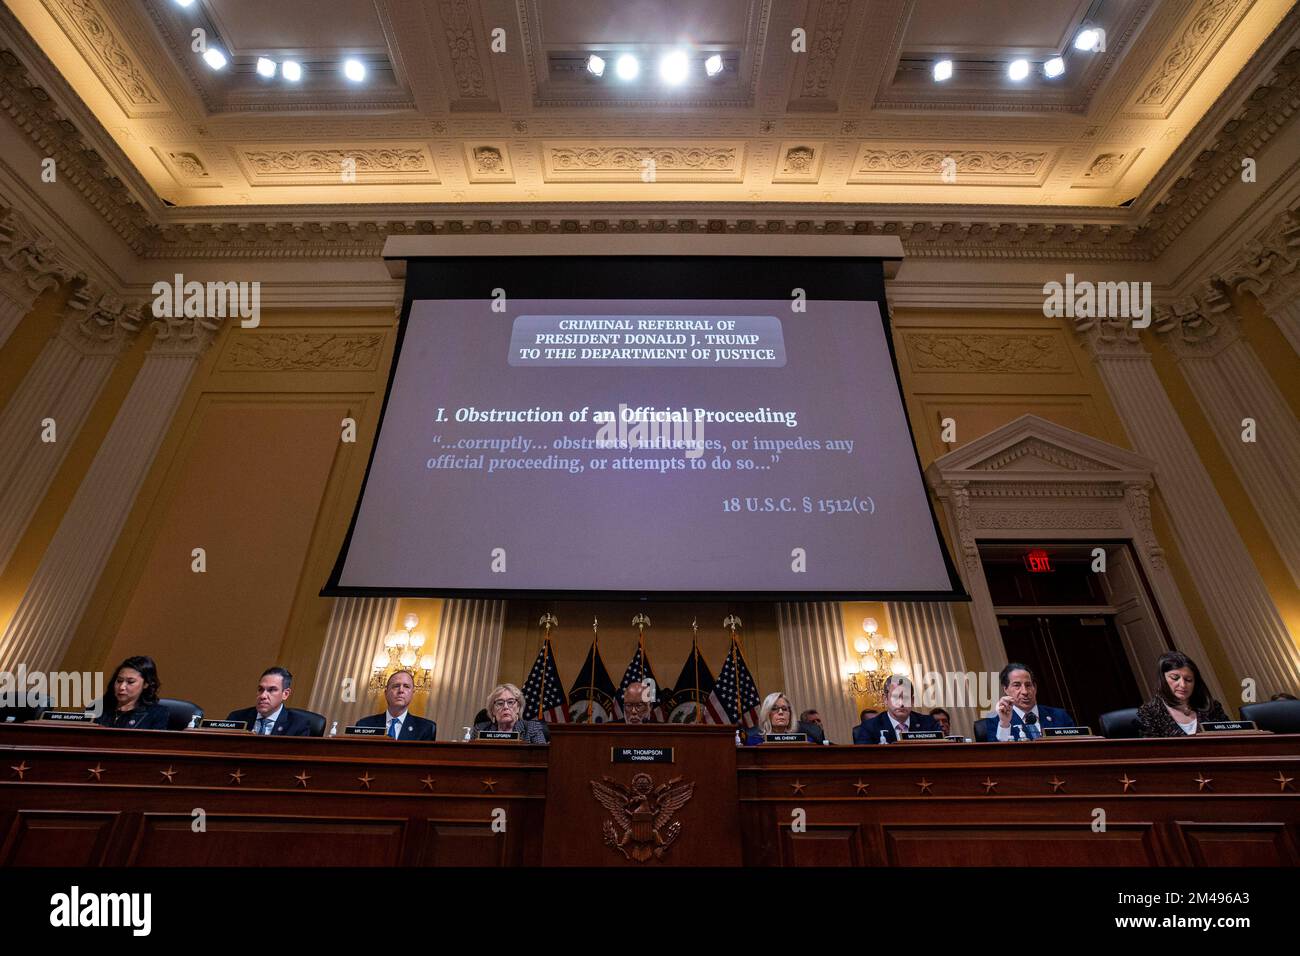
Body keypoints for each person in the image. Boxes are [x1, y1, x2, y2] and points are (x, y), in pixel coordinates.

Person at [1137, 651, 1230, 737]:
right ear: (1162, 679)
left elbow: (1230, 740)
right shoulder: (1150, 713)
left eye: (1188, 680)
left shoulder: (1212, 707)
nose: (1183, 685)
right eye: (1175, 678)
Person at [980, 663, 1074, 741]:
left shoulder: (1060, 716)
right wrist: (1004, 724)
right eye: (1017, 685)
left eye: (1028, 685)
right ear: (1006, 689)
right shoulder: (995, 720)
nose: (1025, 692)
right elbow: (998, 755)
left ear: (1035, 688)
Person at [227, 666, 313, 736]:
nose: (263, 696)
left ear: (285, 694)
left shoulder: (298, 725)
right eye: (260, 689)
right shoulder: (237, 718)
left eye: (272, 690)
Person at [853, 676, 940, 743]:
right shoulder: (869, 728)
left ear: (912, 700)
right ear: (885, 699)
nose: (901, 703)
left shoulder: (929, 724)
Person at [355, 670, 436, 740]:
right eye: (396, 686)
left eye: (406, 686)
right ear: (386, 693)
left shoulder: (426, 728)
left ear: (412, 694)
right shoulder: (364, 725)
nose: (401, 690)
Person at [94, 656, 169, 729]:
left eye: (130, 682)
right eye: (119, 681)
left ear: (146, 684)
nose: (121, 687)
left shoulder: (156, 714)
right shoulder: (97, 707)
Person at [473, 683, 548, 743]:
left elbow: (542, 757)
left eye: (510, 702)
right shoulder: (480, 729)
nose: (505, 707)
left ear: (518, 707)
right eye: (500, 703)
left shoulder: (532, 728)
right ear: (493, 710)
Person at [745, 692, 825, 744]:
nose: (780, 712)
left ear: (790, 715)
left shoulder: (806, 741)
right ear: (766, 714)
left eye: (784, 709)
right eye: (774, 708)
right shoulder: (753, 742)